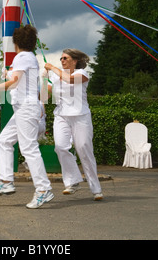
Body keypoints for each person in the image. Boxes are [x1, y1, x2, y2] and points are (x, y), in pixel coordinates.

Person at [0, 25, 54, 209]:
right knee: (4, 141)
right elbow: (17, 79)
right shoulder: (28, 57)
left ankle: (44, 190)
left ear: (15, 42)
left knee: (29, 148)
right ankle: (6, 182)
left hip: (26, 108)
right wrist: (8, 74)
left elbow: (14, 83)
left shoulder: (21, 57)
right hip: (24, 108)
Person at [44, 49, 103, 201]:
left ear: (75, 61)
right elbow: (44, 96)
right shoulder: (56, 76)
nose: (62, 60)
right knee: (60, 147)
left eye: (65, 58)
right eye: (61, 58)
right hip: (61, 116)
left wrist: (52, 68)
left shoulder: (82, 74)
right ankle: (73, 181)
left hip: (81, 116)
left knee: (84, 148)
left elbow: (69, 80)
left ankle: (96, 188)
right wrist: (44, 79)